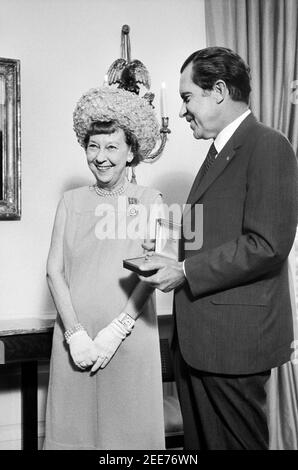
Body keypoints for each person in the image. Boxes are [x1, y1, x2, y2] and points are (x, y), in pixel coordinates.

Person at [139, 47, 298, 450]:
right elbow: (217, 237)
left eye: (187, 97)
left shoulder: (268, 146)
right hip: (199, 343)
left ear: (220, 91)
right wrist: (166, 249)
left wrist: (186, 272)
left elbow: (267, 244)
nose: (181, 111)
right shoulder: (217, 154)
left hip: (234, 345)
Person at [44, 86, 165, 450]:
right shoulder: (70, 201)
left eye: (112, 147)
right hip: (74, 341)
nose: (100, 157)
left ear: (131, 153)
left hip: (130, 339)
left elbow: (153, 271)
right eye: (93, 146)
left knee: (129, 440)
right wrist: (74, 334)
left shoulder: (150, 201)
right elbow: (54, 271)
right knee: (73, 436)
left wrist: (118, 329)